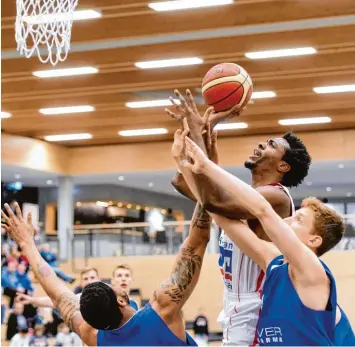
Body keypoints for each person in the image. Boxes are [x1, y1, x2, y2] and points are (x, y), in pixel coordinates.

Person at [167, 89, 311, 345]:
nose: (261, 145)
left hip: (257, 305)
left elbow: (212, 199)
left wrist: (205, 131)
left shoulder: (275, 196)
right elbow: (182, 181)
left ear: (283, 166)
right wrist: (202, 136)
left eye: (271, 145)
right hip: (235, 304)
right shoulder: (243, 196)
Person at [180, 135, 355, 346]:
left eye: (298, 219)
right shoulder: (273, 262)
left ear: (314, 240)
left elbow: (262, 210)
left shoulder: (312, 271)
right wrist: (185, 161)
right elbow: (222, 217)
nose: (288, 220)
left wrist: (207, 166)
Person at [2, 202, 211, 346]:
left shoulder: (92, 335)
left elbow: (56, 292)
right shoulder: (161, 310)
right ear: (121, 300)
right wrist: (205, 175)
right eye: (111, 284)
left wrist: (26, 244)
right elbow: (197, 241)